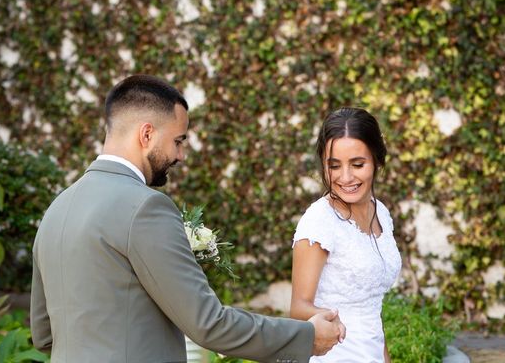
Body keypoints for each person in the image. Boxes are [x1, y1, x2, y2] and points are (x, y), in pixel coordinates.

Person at [31, 74, 345, 363]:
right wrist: (306, 335)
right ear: (147, 134)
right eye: (179, 141)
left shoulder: (56, 210)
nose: (181, 156)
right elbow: (209, 324)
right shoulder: (145, 208)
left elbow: (43, 334)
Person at [290, 107, 402, 363]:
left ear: (377, 159)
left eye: (358, 164)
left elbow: (372, 306)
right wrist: (339, 324)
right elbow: (298, 309)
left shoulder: (380, 211)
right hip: (335, 355)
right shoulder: (319, 221)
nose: (346, 177)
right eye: (334, 166)